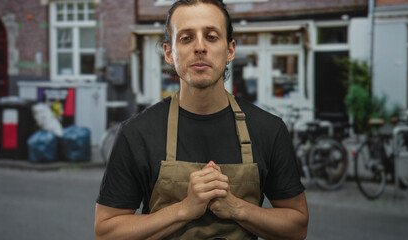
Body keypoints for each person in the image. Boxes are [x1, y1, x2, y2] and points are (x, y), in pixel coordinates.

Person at [94, 0, 308, 239]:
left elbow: (297, 227)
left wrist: (237, 208)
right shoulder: (137, 134)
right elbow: (106, 233)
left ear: (230, 50)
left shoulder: (269, 130)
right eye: (186, 38)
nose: (199, 47)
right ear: (169, 53)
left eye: (212, 36)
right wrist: (184, 209)